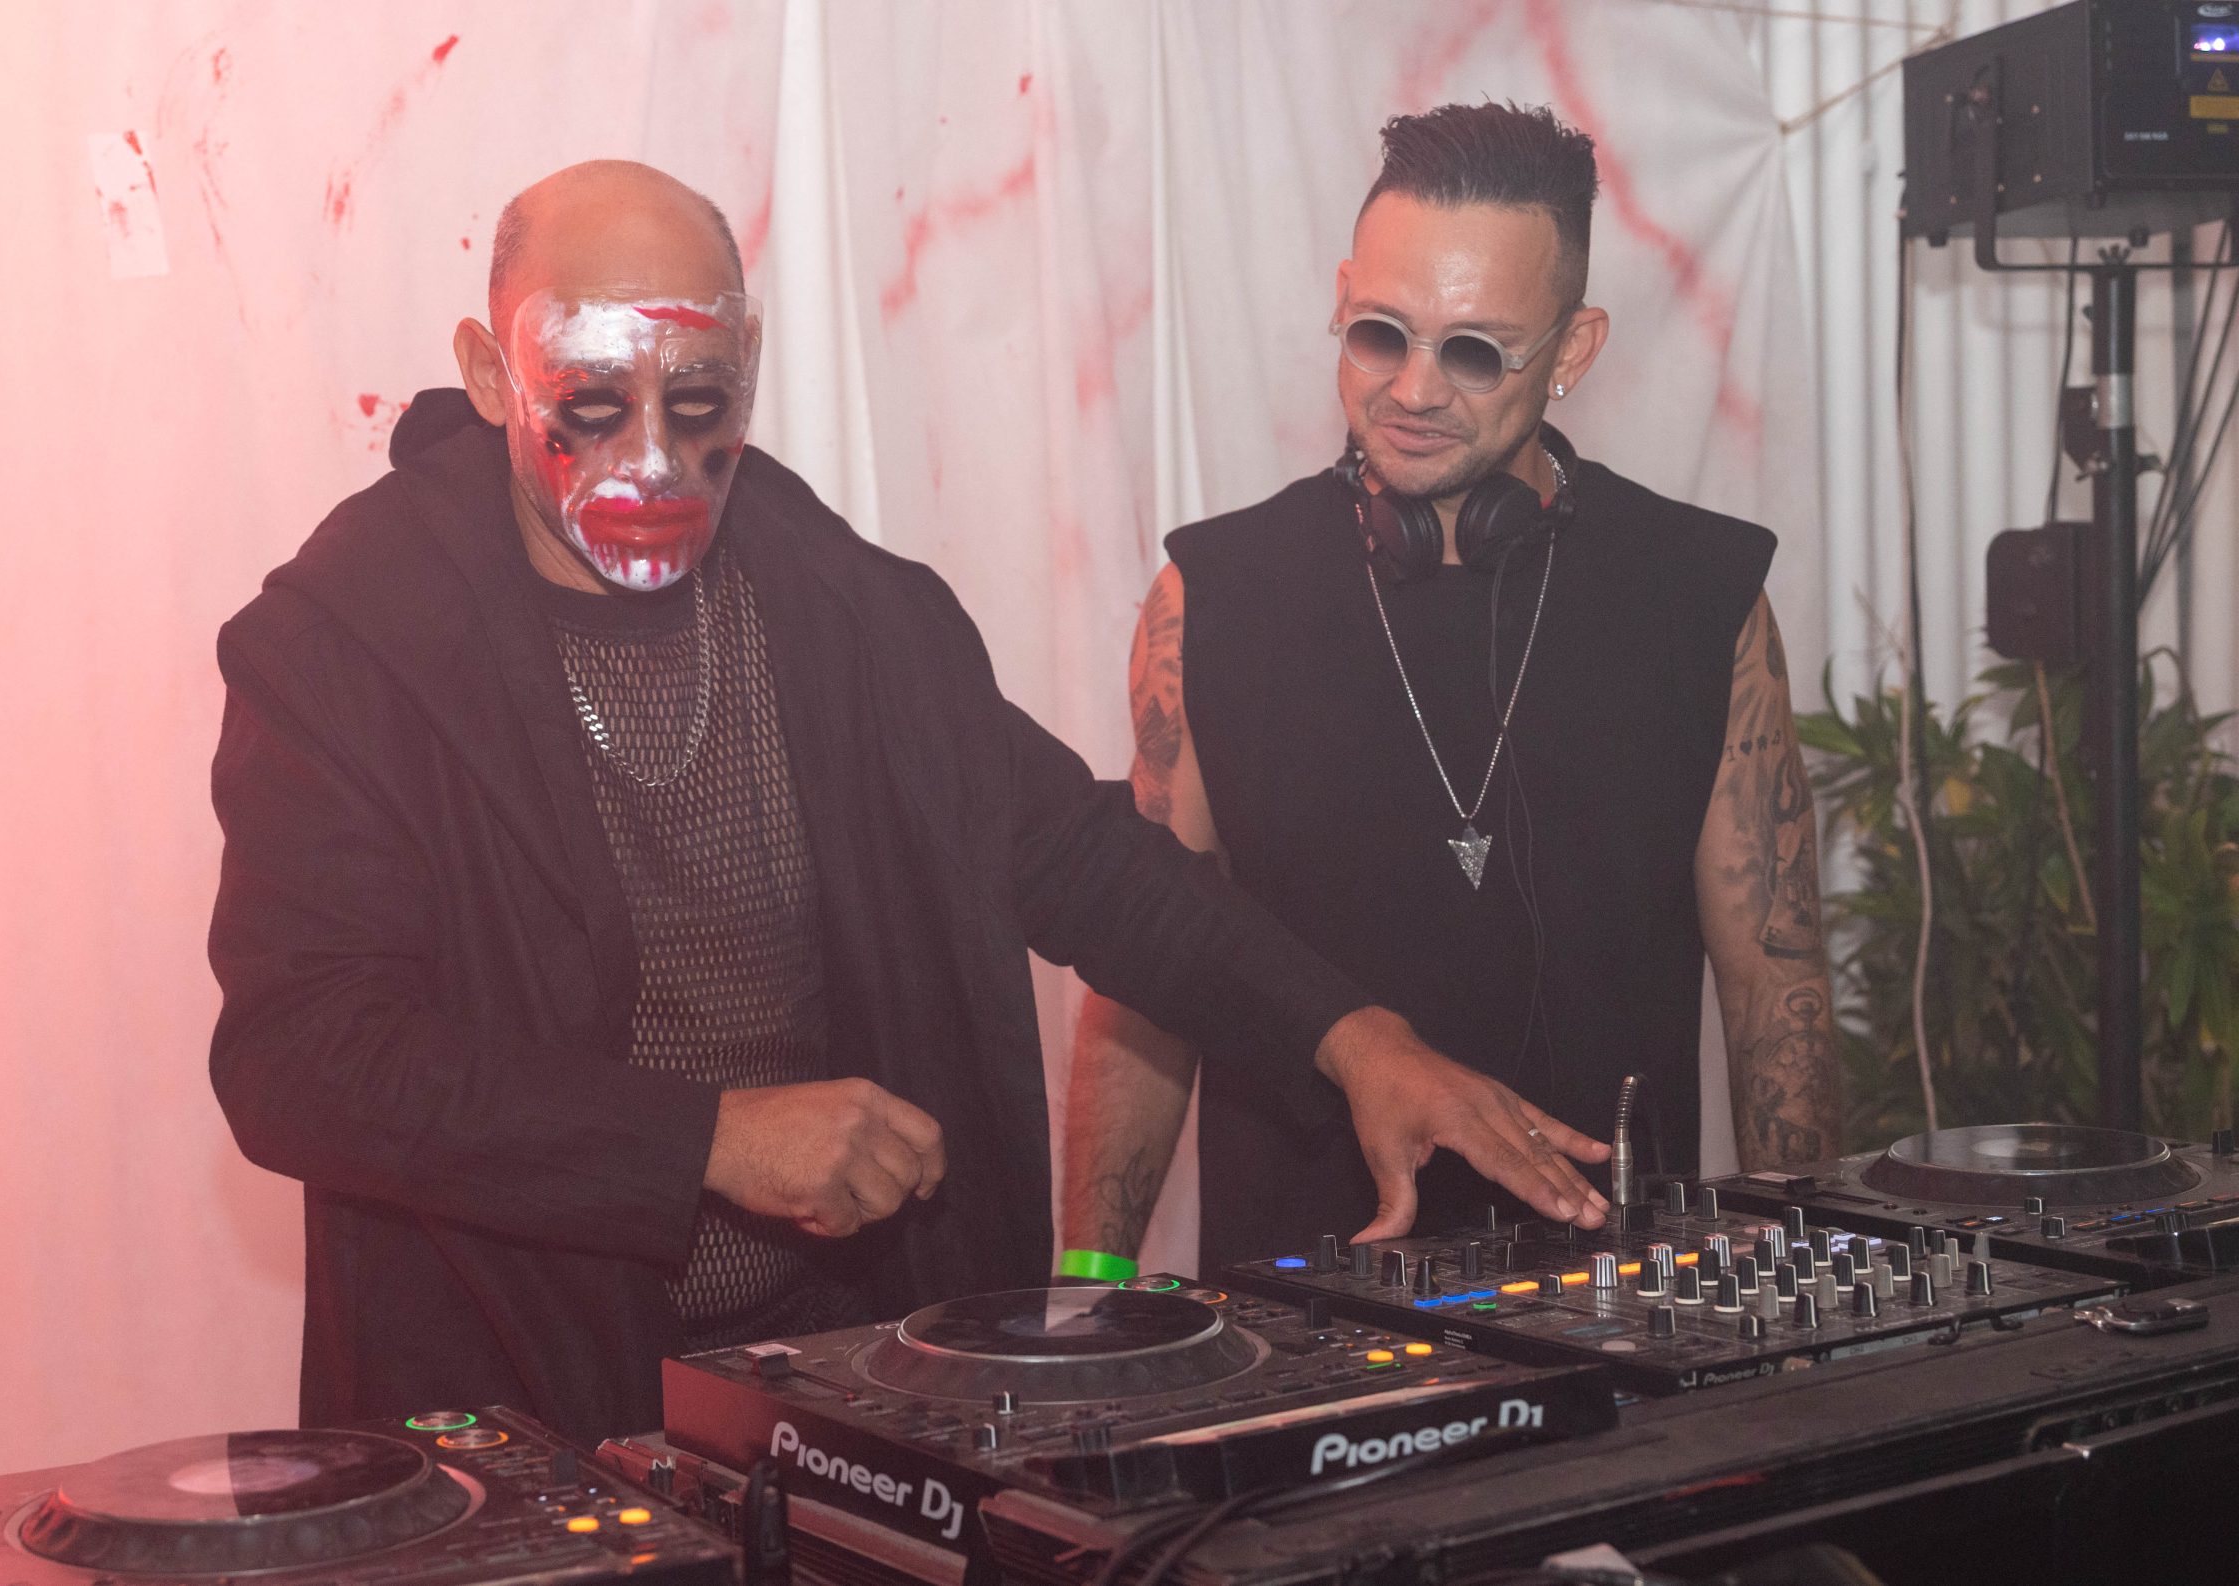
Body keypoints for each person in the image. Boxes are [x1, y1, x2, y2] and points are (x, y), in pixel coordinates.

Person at [206, 159, 1616, 1444]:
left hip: (825, 1382)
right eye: (591, 403)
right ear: (488, 370)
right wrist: (708, 1139)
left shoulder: (831, 599)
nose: (652, 459)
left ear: (750, 368)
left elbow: (1083, 857)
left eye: (698, 402)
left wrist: (1352, 1037)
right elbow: (302, 1057)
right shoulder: (348, 643)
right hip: (521, 1395)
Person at [1062, 104, 1844, 1273]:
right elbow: (1144, 974)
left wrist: (1807, 1289)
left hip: (1621, 1304)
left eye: (1474, 352)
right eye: (1380, 334)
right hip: (1294, 1314)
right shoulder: (1212, 597)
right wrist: (1092, 1291)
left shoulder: (1699, 593)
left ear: (1572, 350)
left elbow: (1776, 985)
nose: (1413, 389)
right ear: (1342, 299)